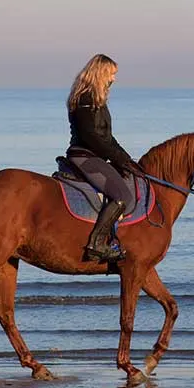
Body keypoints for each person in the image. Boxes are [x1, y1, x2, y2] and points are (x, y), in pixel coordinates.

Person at [64, 54, 138, 263]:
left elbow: (107, 137)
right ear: (101, 73)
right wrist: (116, 158)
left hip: (96, 154)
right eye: (111, 74)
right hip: (85, 156)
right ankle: (96, 244)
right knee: (122, 196)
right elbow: (91, 137)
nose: (113, 79)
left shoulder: (97, 100)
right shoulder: (85, 99)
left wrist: (126, 160)